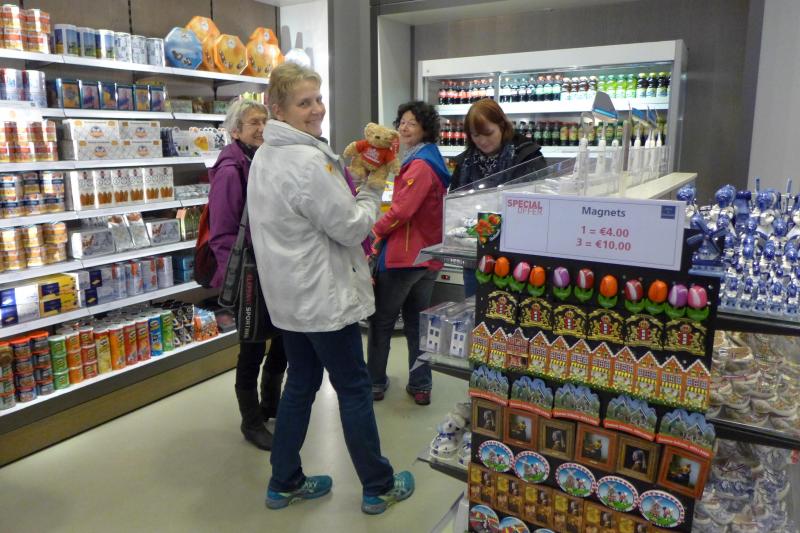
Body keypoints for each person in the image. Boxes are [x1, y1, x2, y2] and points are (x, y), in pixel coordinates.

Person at [247, 62, 413, 515]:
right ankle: (378, 485)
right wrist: (373, 186)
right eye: (304, 102)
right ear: (278, 109)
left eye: (318, 98)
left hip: (289, 298)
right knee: (354, 387)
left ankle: (283, 481)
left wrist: (347, 180)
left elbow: (310, 215)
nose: (317, 109)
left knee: (300, 382)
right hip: (323, 299)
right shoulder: (307, 162)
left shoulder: (266, 155)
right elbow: (351, 226)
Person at [208, 98, 286, 451]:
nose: (261, 128)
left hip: (274, 268)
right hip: (249, 275)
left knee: (283, 341)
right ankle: (251, 420)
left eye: (264, 121)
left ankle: (272, 404)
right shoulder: (231, 169)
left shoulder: (264, 160)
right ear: (235, 131)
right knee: (252, 349)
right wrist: (237, 282)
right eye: (253, 122)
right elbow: (222, 234)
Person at [367, 101, 450, 406]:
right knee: (417, 324)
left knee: (382, 322)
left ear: (425, 128)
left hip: (405, 257)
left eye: (412, 123)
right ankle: (421, 384)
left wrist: (374, 230)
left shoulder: (420, 165)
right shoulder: (429, 158)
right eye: (401, 121)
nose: (404, 127)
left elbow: (402, 211)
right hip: (427, 255)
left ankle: (375, 382)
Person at [449, 98, 547, 297]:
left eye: (488, 133)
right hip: (475, 254)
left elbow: (539, 204)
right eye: (476, 135)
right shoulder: (465, 162)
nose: (482, 141)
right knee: (475, 306)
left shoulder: (527, 157)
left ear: (502, 126)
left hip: (517, 256)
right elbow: (456, 203)